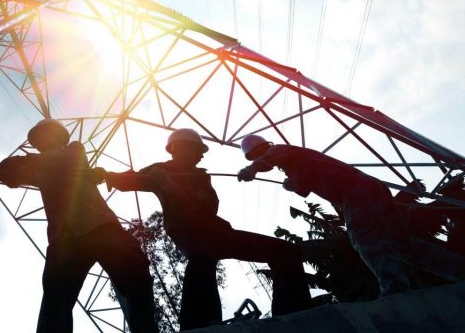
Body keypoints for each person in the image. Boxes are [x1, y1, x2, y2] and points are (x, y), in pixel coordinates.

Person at [99, 129, 312, 330]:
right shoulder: (157, 172)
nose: (201, 156)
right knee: (201, 258)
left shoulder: (199, 177)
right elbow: (129, 180)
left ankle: (294, 315)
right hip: (190, 233)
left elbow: (209, 206)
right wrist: (105, 174)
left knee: (286, 252)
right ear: (178, 148)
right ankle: (197, 325)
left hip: (218, 232)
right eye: (197, 150)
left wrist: (170, 185)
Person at [0, 119, 157, 333]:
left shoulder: (74, 150)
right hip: (66, 240)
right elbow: (14, 177)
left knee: (136, 276)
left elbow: (52, 161)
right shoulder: (41, 169)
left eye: (43, 136)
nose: (40, 142)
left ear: (59, 137)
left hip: (100, 227)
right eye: (38, 140)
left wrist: (22, 160)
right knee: (56, 299)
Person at [238, 135, 465, 296]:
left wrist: (251, 170)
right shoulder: (295, 162)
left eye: (254, 157)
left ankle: (394, 286)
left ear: (261, 150)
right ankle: (458, 270)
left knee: (364, 241)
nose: (257, 162)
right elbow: (306, 186)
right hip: (372, 190)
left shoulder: (279, 151)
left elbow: (270, 157)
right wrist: (292, 184)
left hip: (356, 194)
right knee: (400, 243)